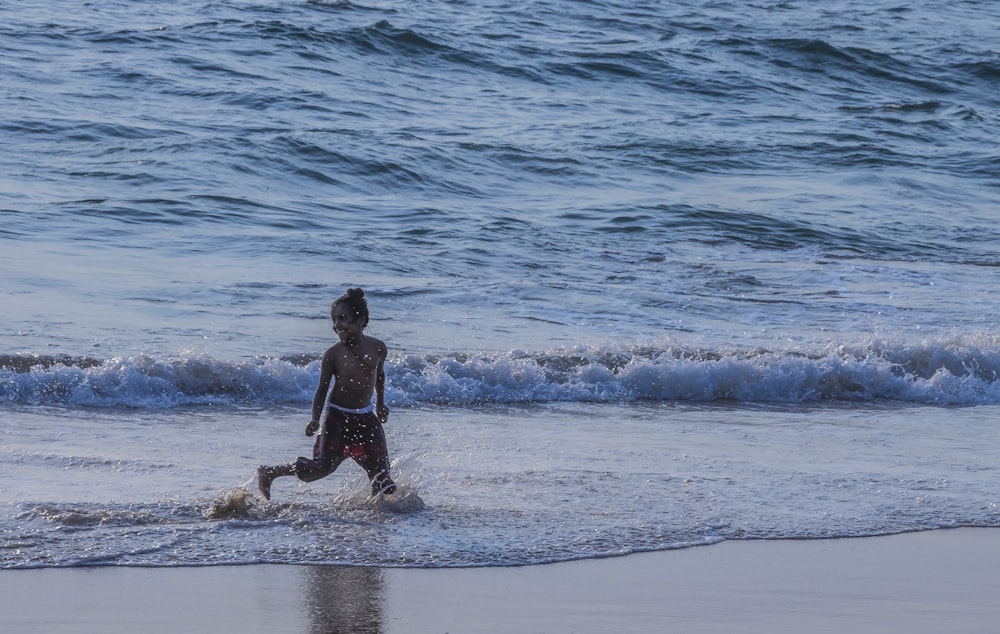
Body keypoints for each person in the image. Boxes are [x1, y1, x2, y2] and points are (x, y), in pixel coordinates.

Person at [258, 287, 396, 499]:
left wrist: (380, 405)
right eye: (333, 320)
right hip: (337, 417)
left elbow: (379, 377)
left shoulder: (378, 348)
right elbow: (322, 389)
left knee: (382, 473)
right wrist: (315, 419)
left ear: (361, 321)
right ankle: (271, 472)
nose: (336, 325)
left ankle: (377, 510)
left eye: (343, 319)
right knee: (322, 467)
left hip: (366, 416)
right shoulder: (333, 354)